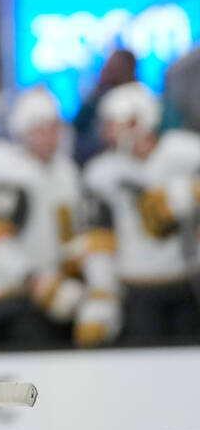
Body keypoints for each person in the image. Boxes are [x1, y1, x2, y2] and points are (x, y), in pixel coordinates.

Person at [73, 81, 200, 345]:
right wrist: (102, 293)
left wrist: (190, 193)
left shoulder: (183, 153)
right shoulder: (102, 171)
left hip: (185, 283)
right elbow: (100, 240)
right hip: (136, 290)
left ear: (136, 122)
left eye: (113, 123)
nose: (107, 132)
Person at [0, 87, 84, 345]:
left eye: (53, 127)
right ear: (24, 132)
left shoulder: (66, 172)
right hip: (13, 294)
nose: (50, 135)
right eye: (41, 128)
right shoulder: (10, 173)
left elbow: (72, 232)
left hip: (58, 292)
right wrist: (33, 279)